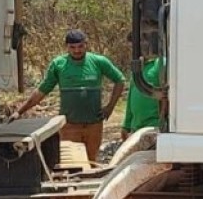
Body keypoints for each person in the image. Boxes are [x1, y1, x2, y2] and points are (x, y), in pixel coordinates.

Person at [10, 29, 126, 161]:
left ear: (86, 44)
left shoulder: (99, 62)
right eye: (72, 47)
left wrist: (110, 108)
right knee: (71, 162)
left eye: (80, 46)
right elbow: (42, 91)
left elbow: (119, 80)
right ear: (67, 47)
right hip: (69, 125)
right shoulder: (59, 64)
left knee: (92, 161)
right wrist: (19, 112)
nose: (77, 50)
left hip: (94, 124)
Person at [121, 56, 165, 140]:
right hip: (135, 129)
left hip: (153, 127)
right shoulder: (137, 70)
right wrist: (126, 125)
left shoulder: (159, 64)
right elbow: (130, 98)